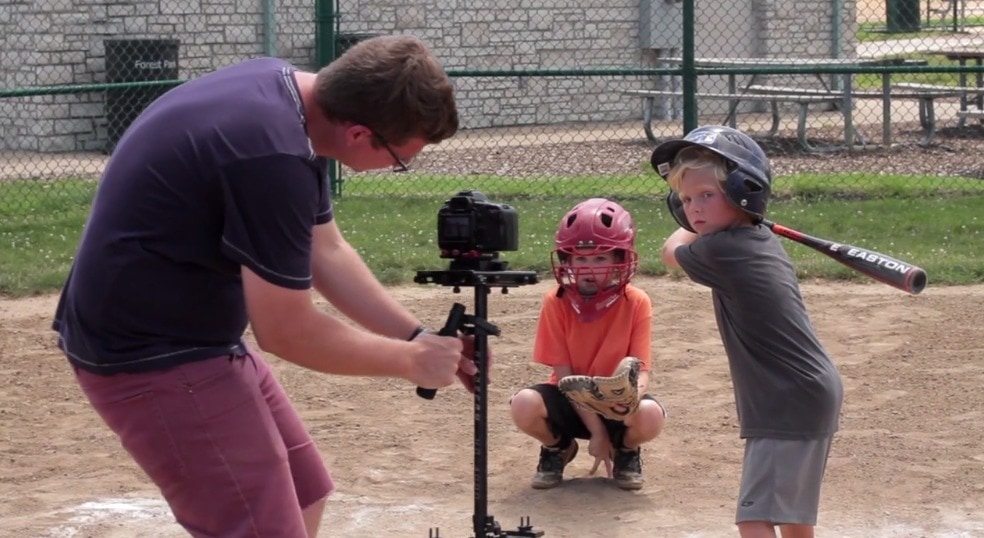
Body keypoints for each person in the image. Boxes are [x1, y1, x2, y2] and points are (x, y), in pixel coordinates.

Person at [52, 35, 468, 537]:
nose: (398, 170)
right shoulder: (271, 156)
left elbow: (326, 251)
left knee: (303, 493)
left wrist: (415, 336)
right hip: (150, 355)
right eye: (402, 160)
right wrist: (409, 363)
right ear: (360, 134)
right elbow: (287, 331)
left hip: (190, 339)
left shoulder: (284, 96)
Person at [653, 125, 844, 538]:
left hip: (786, 399)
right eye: (685, 200)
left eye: (707, 195)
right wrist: (714, 209)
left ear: (744, 191)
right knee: (794, 518)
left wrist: (688, 222)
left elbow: (670, 253)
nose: (693, 209)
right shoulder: (755, 239)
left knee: (753, 519)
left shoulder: (723, 249)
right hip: (806, 391)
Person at [509, 198, 667, 491]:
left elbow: (641, 370)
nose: (589, 269)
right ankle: (558, 447)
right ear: (566, 261)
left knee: (650, 416)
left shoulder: (636, 301)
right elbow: (566, 377)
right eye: (581, 259)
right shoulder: (556, 301)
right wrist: (597, 432)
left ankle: (626, 450)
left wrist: (629, 397)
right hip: (570, 399)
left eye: (600, 259)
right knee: (524, 404)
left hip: (615, 400)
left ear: (619, 260)